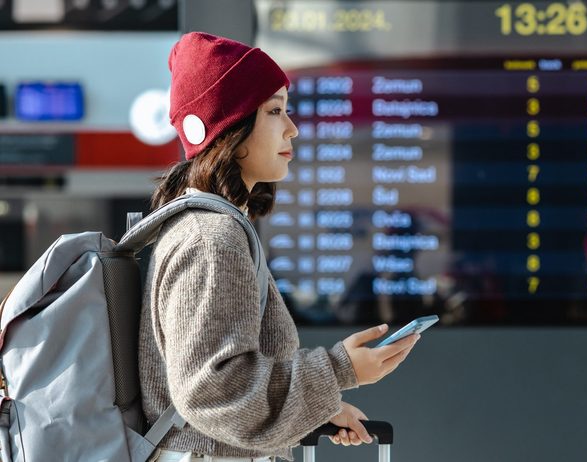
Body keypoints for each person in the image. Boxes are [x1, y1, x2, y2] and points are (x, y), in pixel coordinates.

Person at [138, 32, 420, 462]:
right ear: (229, 128)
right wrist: (339, 370)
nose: (292, 128)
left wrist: (316, 409)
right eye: (274, 111)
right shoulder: (212, 239)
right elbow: (213, 391)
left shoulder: (212, 228)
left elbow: (224, 389)